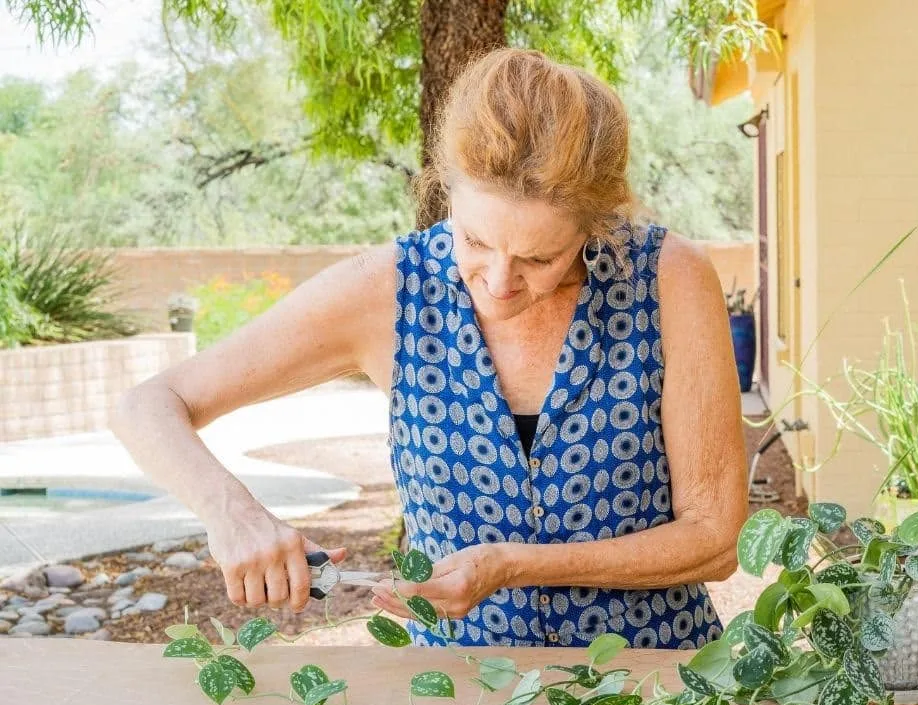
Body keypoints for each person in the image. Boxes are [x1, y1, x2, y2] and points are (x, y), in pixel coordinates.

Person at [112, 47, 747, 649]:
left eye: (539, 256)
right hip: (457, 698)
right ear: (446, 191)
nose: (499, 282)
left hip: (652, 690)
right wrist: (234, 515)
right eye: (474, 240)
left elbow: (716, 538)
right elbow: (148, 405)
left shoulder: (668, 277)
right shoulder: (384, 290)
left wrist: (510, 567)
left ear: (597, 224)